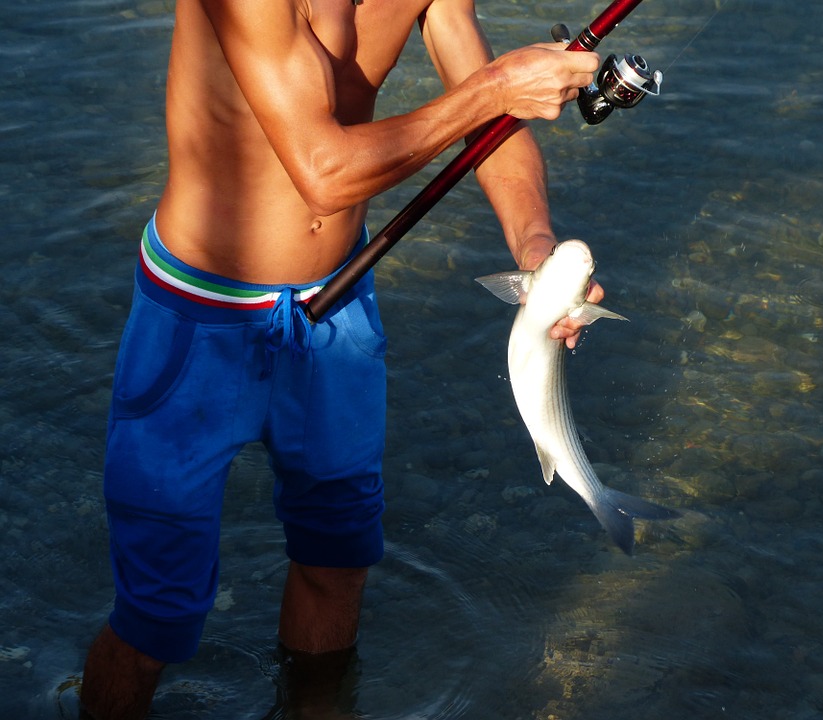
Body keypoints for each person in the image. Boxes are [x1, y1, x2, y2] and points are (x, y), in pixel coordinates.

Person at [80, 0, 602, 717]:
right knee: (157, 615)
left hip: (339, 306)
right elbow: (322, 169)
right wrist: (494, 90)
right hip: (199, 316)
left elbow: (494, 128)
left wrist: (538, 256)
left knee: (338, 564)